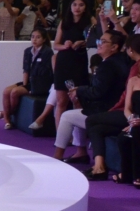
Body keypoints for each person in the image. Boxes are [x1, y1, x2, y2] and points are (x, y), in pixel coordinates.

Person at [85, 45, 140, 186]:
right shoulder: (134, 80)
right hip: (136, 121)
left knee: (136, 133)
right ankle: (121, 172)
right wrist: (131, 120)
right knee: (121, 136)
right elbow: (127, 108)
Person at [55, 30, 130, 162]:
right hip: (114, 109)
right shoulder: (120, 61)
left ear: (114, 47)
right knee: (77, 112)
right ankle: (81, 153)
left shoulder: (108, 65)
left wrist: (79, 91)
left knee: (66, 116)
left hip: (107, 111)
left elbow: (98, 92)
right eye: (98, 41)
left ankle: (57, 156)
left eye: (103, 42)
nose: (99, 44)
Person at [0, 28, 53, 129]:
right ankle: (7, 121)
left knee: (14, 92)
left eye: (38, 37)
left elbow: (45, 72)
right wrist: (25, 85)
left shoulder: (47, 52)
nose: (34, 39)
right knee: (6, 91)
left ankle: (6, 114)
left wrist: (30, 87)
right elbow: (26, 70)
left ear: (44, 39)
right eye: (33, 37)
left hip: (39, 83)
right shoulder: (27, 51)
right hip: (30, 81)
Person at [51, 0, 93, 127]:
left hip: (79, 61)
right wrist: (65, 46)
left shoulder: (90, 21)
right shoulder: (64, 21)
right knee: (61, 101)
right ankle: (60, 134)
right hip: (63, 62)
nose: (77, 8)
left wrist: (83, 42)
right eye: (74, 5)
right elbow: (55, 45)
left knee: (78, 100)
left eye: (81, 5)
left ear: (85, 7)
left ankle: (78, 135)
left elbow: (96, 40)